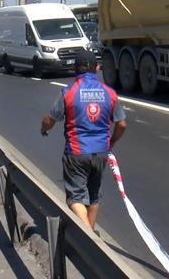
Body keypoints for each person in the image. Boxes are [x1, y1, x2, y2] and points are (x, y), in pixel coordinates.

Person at [40, 50, 126, 230]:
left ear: (75, 69)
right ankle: (92, 239)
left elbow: (50, 120)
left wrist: (44, 128)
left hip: (77, 153)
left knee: (76, 198)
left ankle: (91, 239)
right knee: (93, 197)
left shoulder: (68, 93)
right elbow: (121, 125)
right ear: (97, 68)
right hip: (101, 153)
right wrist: (110, 143)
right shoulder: (110, 93)